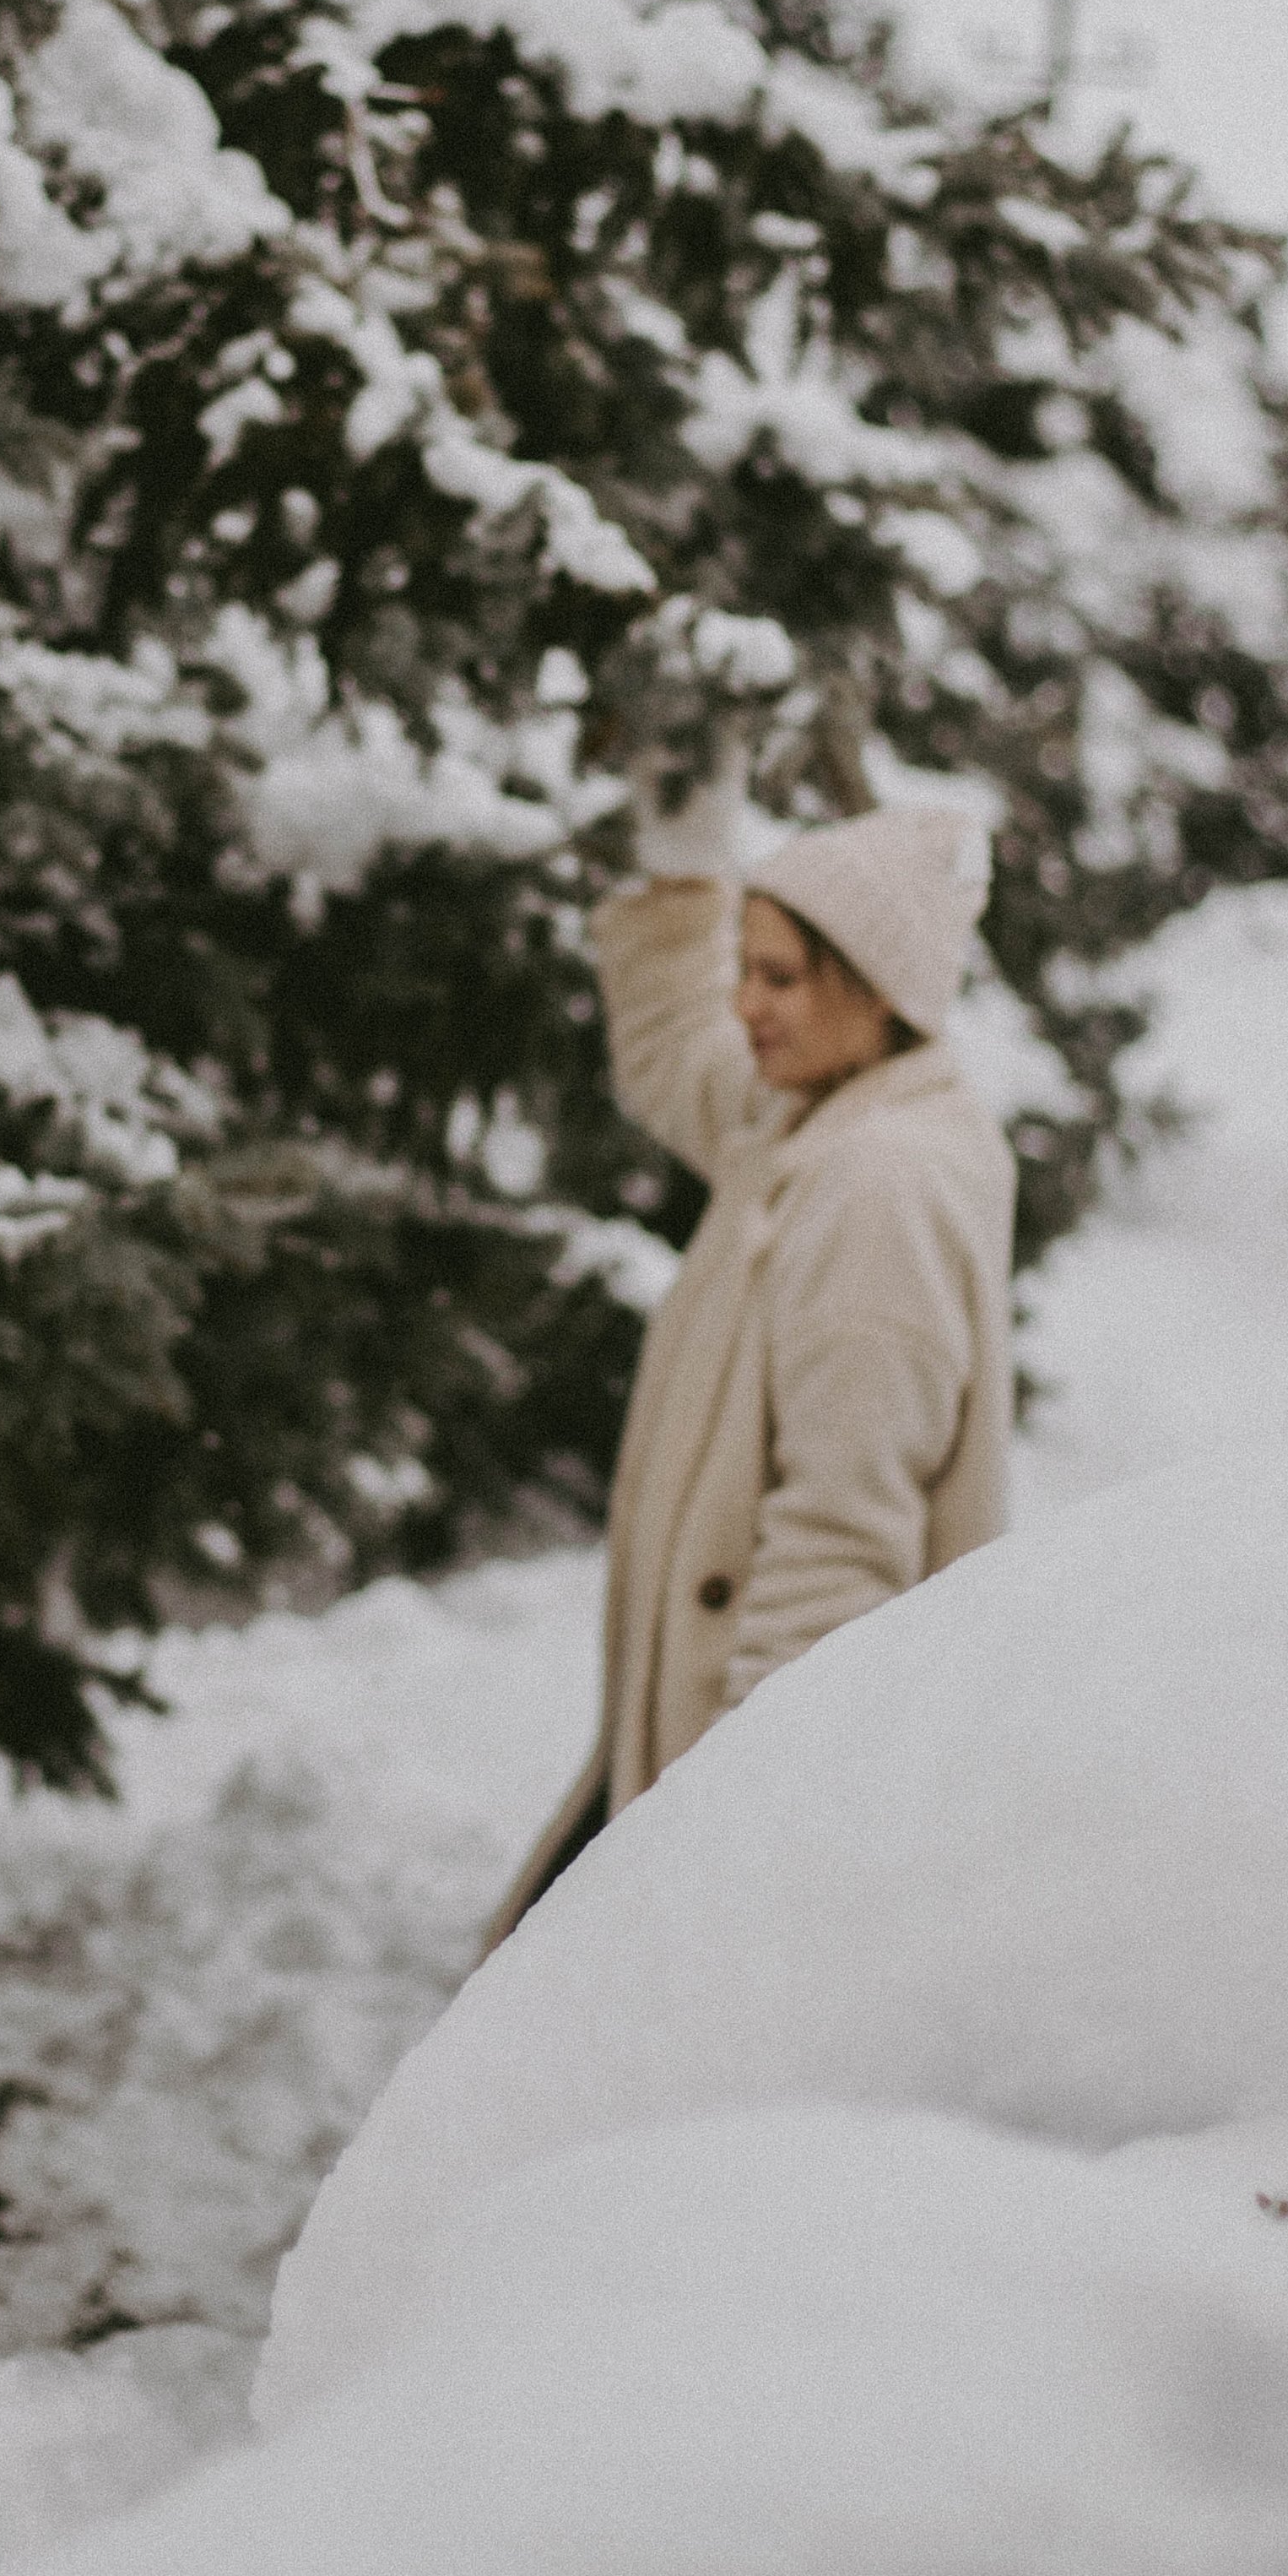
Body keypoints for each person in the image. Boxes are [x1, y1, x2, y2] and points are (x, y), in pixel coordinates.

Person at [482, 800, 1015, 1955]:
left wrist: (740, 1821)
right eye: (743, 970)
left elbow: (842, 1534)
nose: (746, 1006)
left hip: (739, 1772)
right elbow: (682, 1060)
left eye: (777, 978)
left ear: (874, 988)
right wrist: (680, 867)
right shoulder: (808, 1122)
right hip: (682, 1757)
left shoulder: (878, 1185)